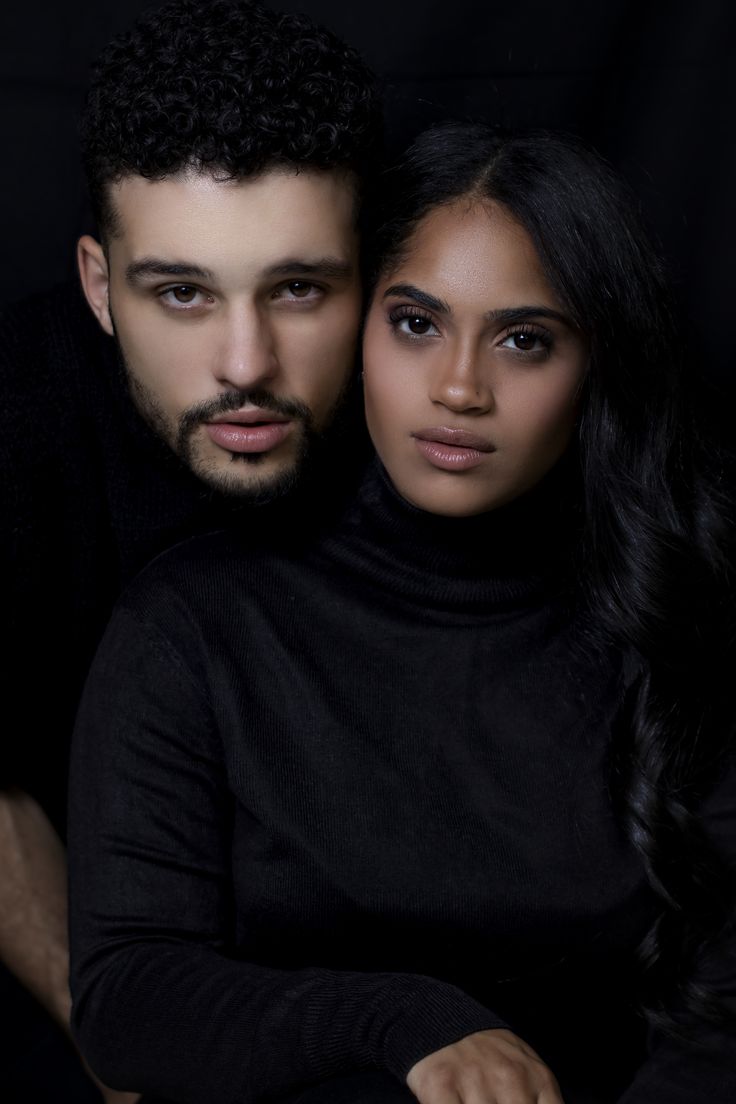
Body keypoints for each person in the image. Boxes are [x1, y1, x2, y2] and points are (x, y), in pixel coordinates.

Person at [68, 123, 736, 1104]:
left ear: (598, 364)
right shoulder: (195, 623)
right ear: (353, 325)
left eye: (524, 340)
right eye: (416, 323)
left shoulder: (683, 620)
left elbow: (723, 1010)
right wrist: (405, 1021)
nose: (459, 389)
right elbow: (127, 1002)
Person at [0, 1, 380, 1099]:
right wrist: (125, 1047)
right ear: (96, 285)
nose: (246, 363)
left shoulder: (440, 410)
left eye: (300, 287)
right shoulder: (19, 425)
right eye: (179, 292)